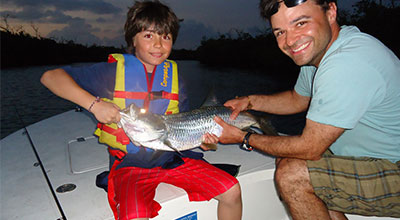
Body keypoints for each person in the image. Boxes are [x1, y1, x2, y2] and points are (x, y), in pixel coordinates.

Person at [41, 1, 242, 220]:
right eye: (149, 36)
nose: (158, 44)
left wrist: (202, 140)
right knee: (135, 216)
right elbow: (50, 77)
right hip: (131, 166)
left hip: (172, 159)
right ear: (132, 39)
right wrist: (93, 104)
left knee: (232, 190)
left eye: (166, 37)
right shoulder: (110, 72)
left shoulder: (175, 79)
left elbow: (181, 124)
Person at [204, 0, 400, 219]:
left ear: (331, 12)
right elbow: (298, 99)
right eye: (280, 32)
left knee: (293, 175)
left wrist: (244, 137)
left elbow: (310, 148)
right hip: (364, 157)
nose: (290, 41)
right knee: (286, 157)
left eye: (300, 23)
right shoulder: (320, 54)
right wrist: (250, 101)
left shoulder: (347, 62)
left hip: (394, 168)